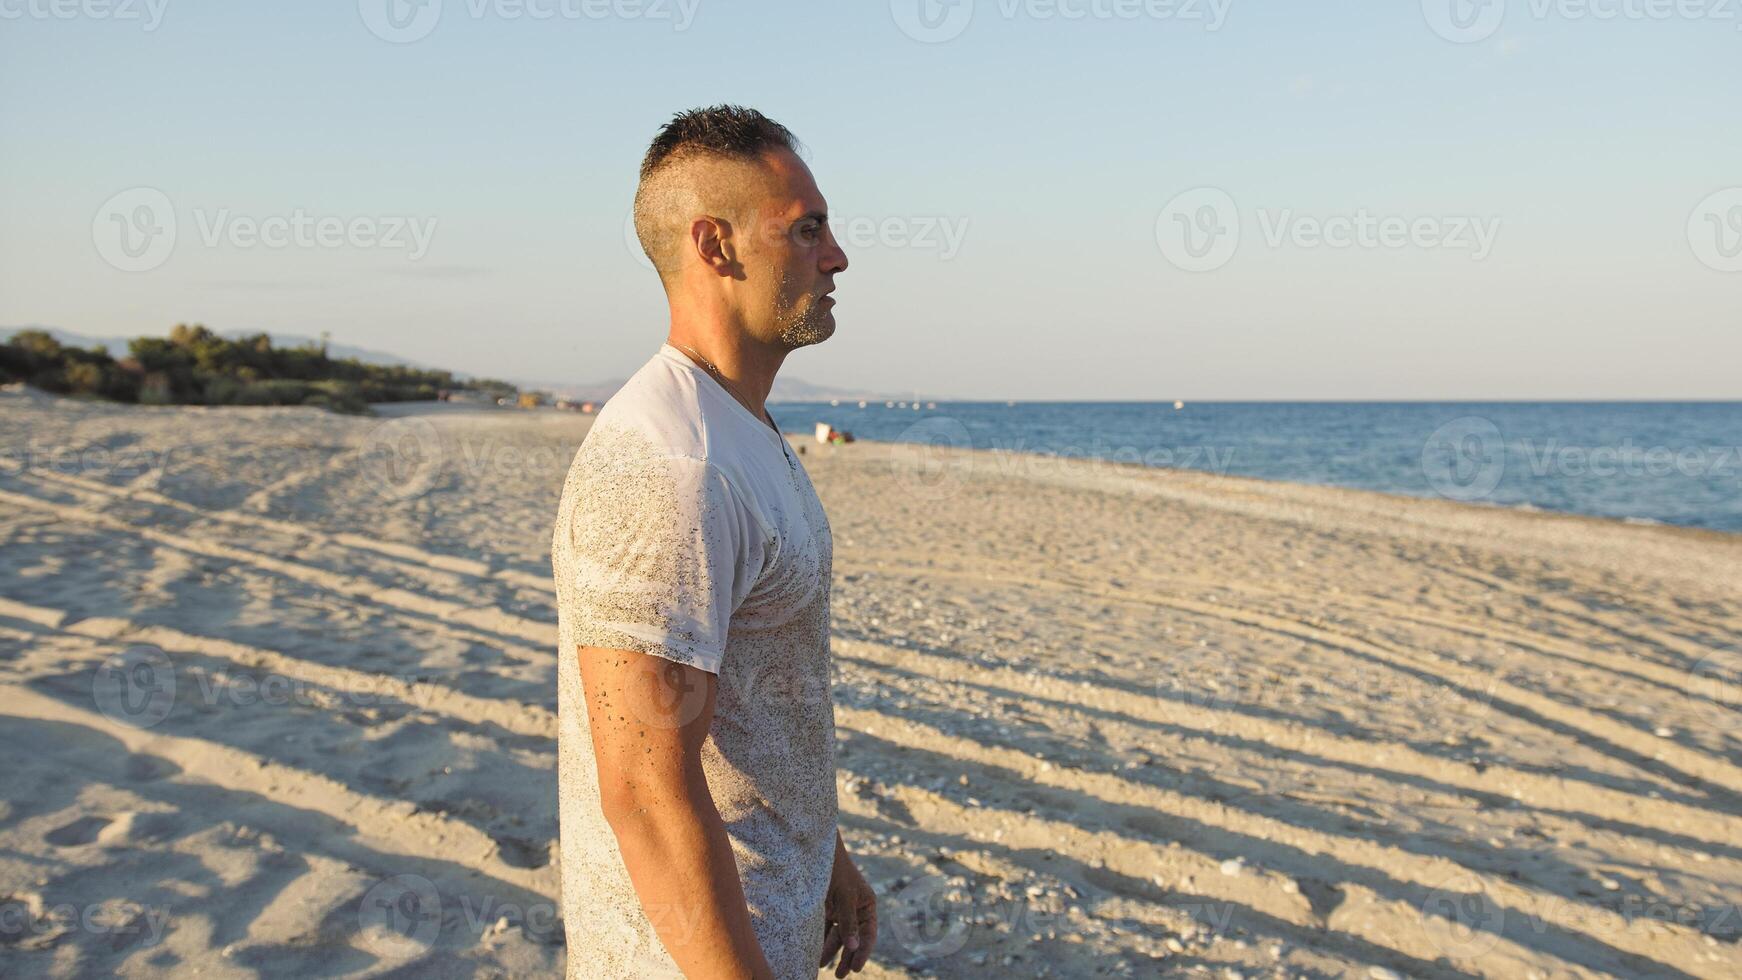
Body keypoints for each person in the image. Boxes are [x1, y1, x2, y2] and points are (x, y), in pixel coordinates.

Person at [551, 105, 872, 979]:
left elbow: (758, 697)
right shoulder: (671, 464)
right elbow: (645, 793)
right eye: (806, 231)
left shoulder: (740, 429)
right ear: (715, 246)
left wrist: (827, 853)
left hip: (769, 924)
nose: (837, 256)